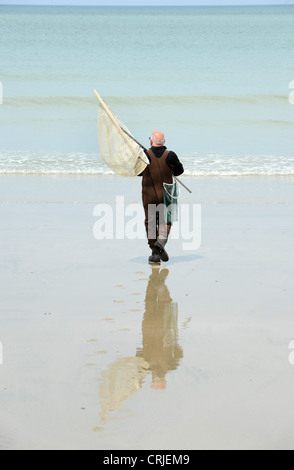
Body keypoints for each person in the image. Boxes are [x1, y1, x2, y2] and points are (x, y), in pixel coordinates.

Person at [140, 131, 184, 264]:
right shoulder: (170, 155)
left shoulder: (144, 155)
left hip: (149, 195)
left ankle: (155, 253)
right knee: (166, 222)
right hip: (167, 195)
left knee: (151, 222)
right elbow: (179, 171)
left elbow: (138, 172)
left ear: (151, 141)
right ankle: (161, 242)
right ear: (163, 142)